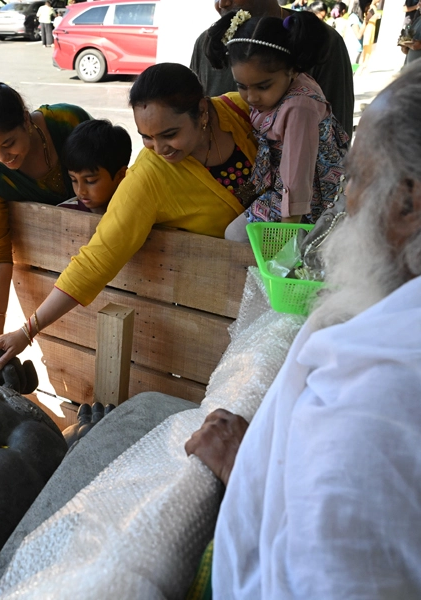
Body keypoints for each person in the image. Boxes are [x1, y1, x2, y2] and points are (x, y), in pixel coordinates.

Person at [186, 61, 421, 597]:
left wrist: (253, 474)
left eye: (358, 177)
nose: (346, 202)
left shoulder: (373, 408)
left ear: (408, 202)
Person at [0, 64, 257, 364]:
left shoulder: (238, 110)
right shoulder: (148, 177)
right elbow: (96, 259)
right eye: (146, 137)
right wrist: (26, 331)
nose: (160, 149)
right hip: (224, 304)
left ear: (202, 110)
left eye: (170, 134)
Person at [204, 10, 347, 240]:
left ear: (291, 70)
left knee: (235, 236)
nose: (251, 97)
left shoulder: (299, 108)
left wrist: (283, 242)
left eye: (262, 87)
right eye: (242, 86)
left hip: (314, 200)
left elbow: (297, 184)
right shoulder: (287, 84)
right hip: (279, 184)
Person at [0, 83, 91, 337]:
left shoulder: (69, 122)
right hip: (46, 281)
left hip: (100, 255)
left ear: (25, 119)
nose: (2, 157)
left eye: (8, 143)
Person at [189, 0, 355, 138]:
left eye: (263, 85)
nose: (221, 4)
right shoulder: (210, 43)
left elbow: (338, 139)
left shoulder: (319, 42)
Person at [57, 119, 131, 214]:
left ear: (121, 175)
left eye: (90, 181)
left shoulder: (136, 212)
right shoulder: (63, 212)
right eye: (74, 180)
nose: (80, 191)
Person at [342, 0, 368, 65]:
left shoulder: (359, 18)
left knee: (355, 69)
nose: (368, 8)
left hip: (358, 49)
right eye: (368, 5)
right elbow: (359, 35)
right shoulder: (353, 17)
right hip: (352, 50)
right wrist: (366, 20)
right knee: (352, 70)